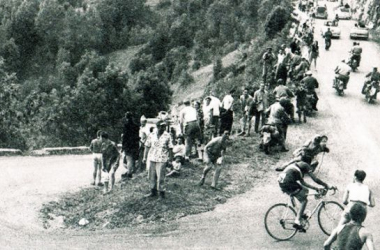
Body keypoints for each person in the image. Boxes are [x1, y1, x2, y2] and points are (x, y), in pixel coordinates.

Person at [276, 161, 334, 232]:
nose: (310, 172)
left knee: (305, 190)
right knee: (304, 200)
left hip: (281, 182)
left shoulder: (297, 166)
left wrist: (316, 189)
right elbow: (315, 179)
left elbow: (304, 183)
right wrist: (326, 185)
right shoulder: (306, 165)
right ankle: (297, 221)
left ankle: (301, 214)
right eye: (311, 170)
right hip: (288, 182)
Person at [143, 120, 173, 198]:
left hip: (162, 158)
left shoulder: (168, 135)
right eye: (161, 126)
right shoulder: (152, 134)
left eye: (164, 126)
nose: (163, 128)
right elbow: (147, 146)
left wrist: (170, 160)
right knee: (151, 175)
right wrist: (144, 157)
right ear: (157, 126)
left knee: (161, 177)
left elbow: (170, 148)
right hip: (152, 157)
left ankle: (161, 193)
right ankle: (153, 191)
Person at [121, 112, 140, 179]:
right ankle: (131, 171)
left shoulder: (126, 125)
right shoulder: (136, 126)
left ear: (126, 117)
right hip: (135, 144)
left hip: (128, 144)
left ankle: (129, 173)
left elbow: (124, 137)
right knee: (133, 158)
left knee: (128, 158)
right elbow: (137, 136)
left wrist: (123, 146)